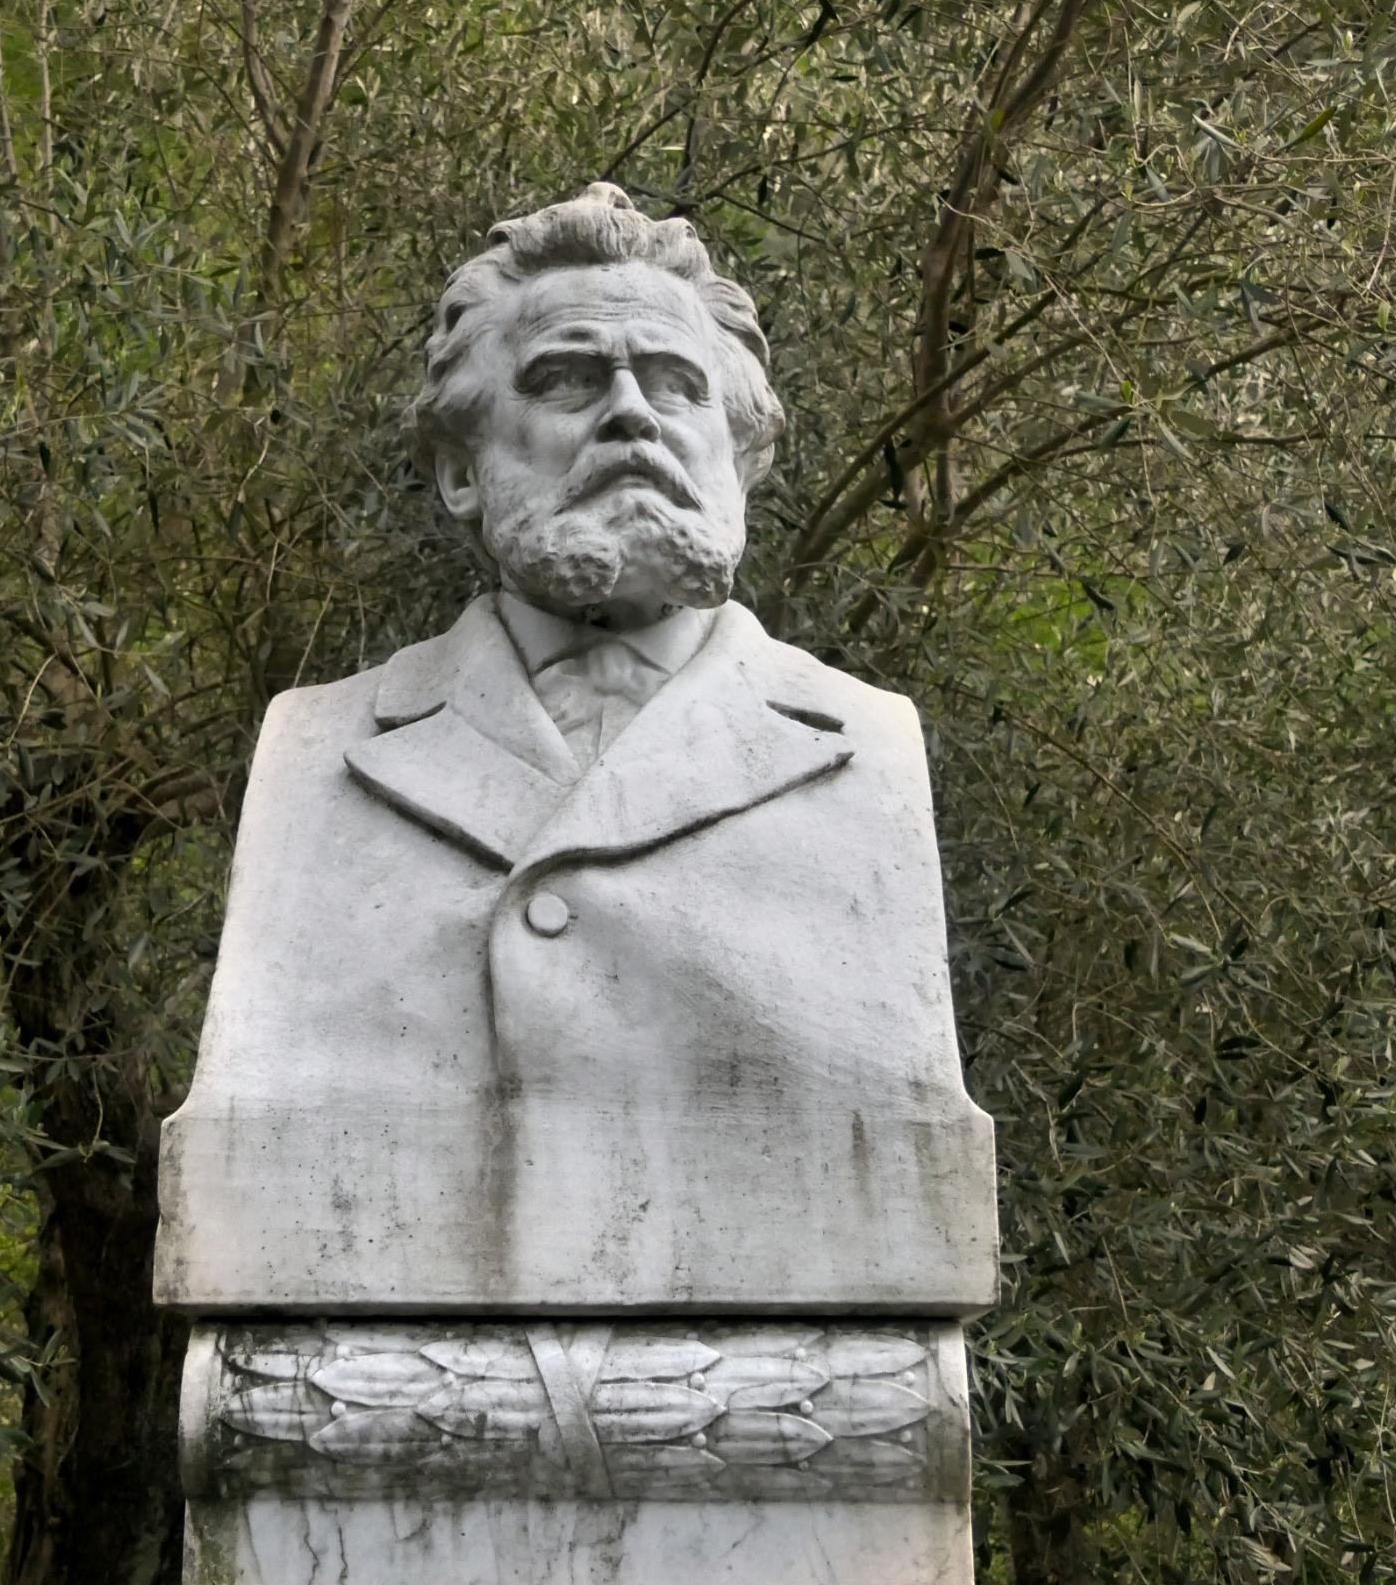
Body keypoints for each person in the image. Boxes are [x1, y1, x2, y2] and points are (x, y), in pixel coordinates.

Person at [153, 184, 995, 1316]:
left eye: (676, 383)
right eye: (567, 379)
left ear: (740, 460)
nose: (632, 415)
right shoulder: (316, 751)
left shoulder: (867, 754)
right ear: (461, 467)